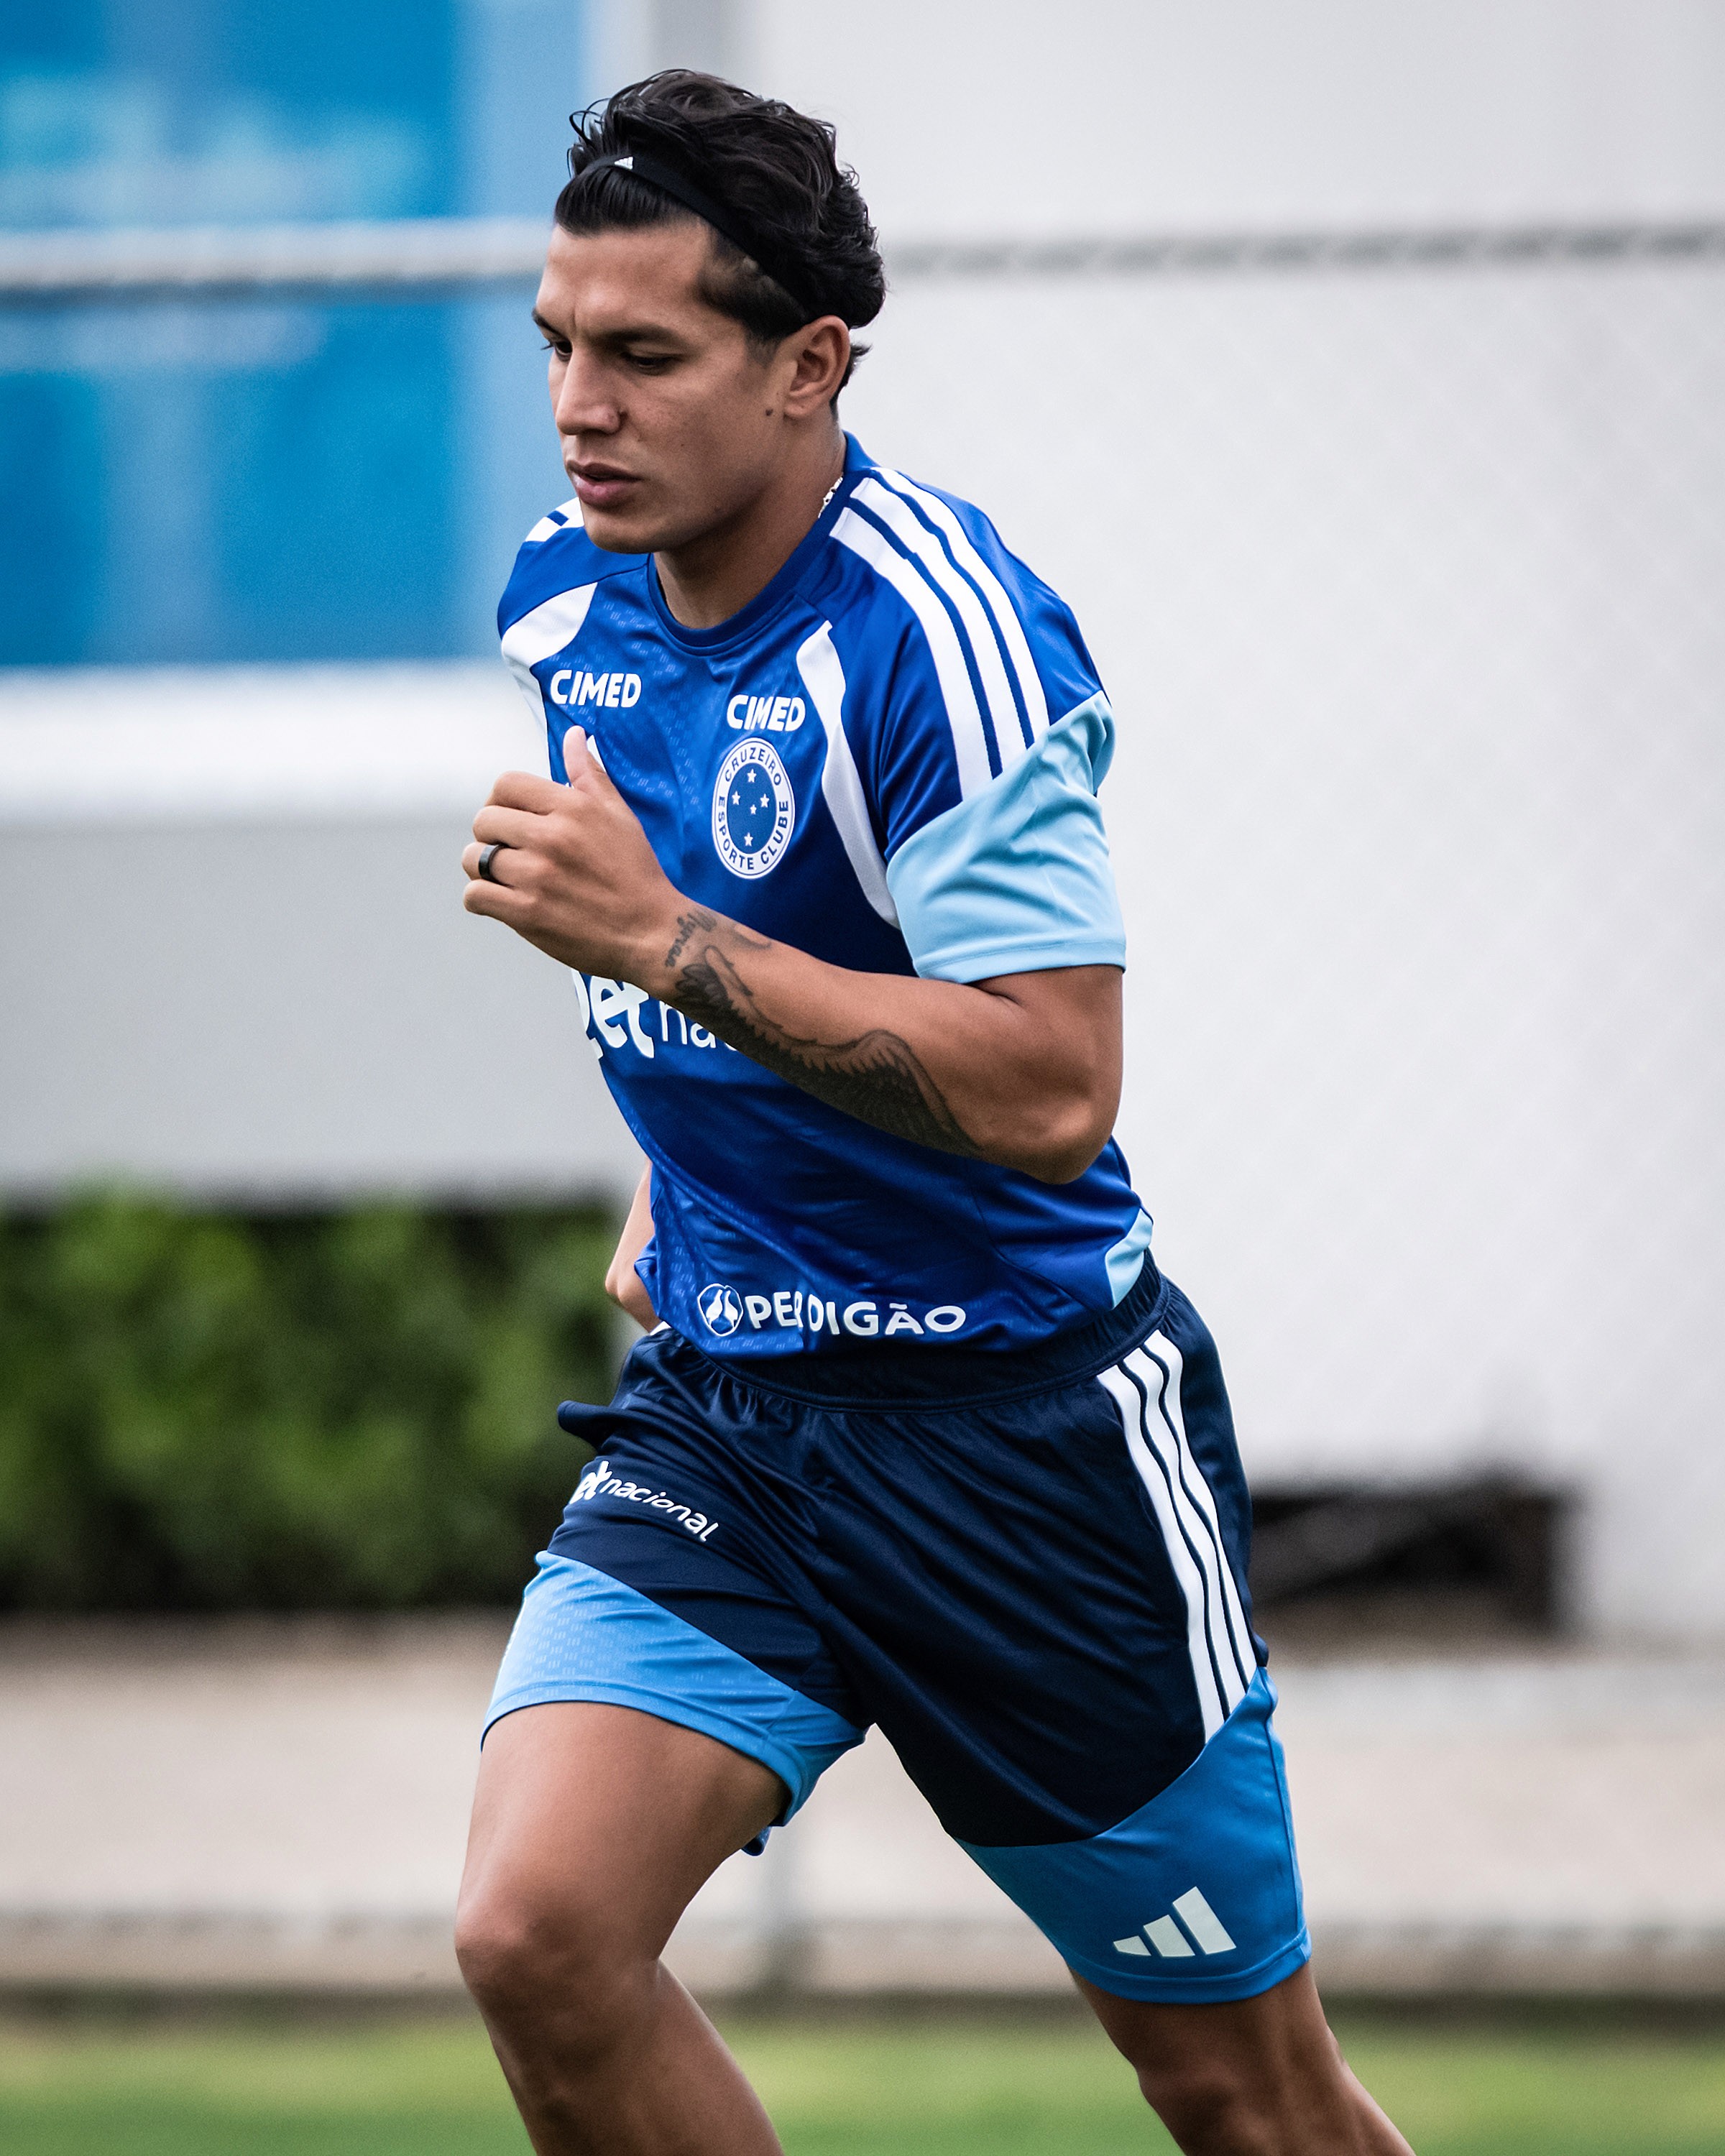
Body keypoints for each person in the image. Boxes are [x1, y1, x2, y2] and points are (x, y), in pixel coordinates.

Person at [453, 68, 1412, 2156]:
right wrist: (676, 1150)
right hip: (737, 1421)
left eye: (643, 354)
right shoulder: (564, 594)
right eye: (556, 347)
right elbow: (737, 928)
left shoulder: (941, 638)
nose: (578, 407)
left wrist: (665, 949)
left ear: (809, 368)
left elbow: (1056, 1084)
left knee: (1248, 2101)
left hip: (1024, 1448)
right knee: (537, 1933)